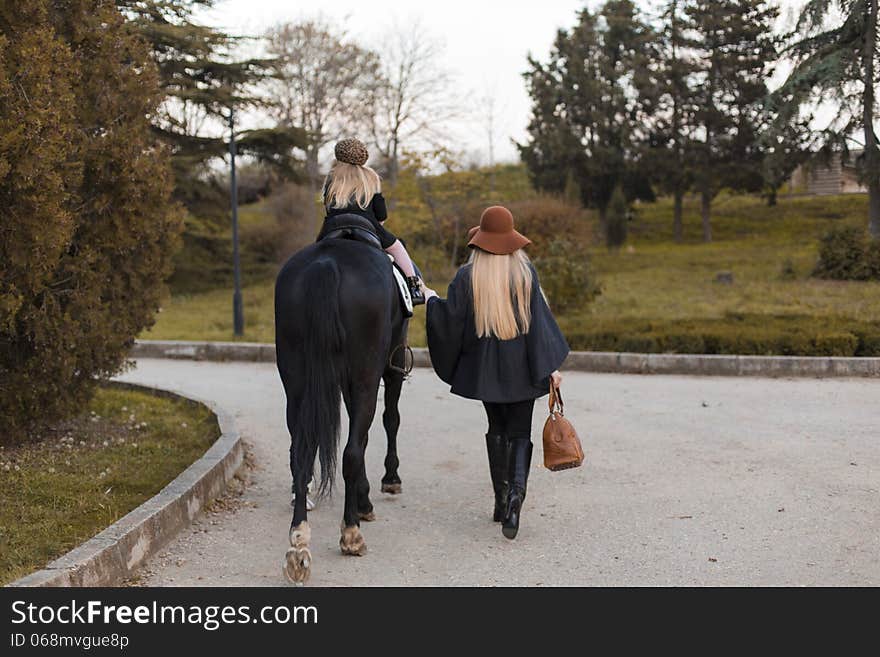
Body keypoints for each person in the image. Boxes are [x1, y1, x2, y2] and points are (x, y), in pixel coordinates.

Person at [423, 206, 569, 539]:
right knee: (520, 433)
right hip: (523, 369)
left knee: (496, 428)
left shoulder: (467, 276)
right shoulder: (525, 275)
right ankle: (516, 498)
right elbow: (540, 326)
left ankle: (501, 499)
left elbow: (452, 321)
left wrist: (432, 302)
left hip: (486, 370)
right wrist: (551, 367)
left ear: (481, 241)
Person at [317, 138, 425, 305]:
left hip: (333, 225)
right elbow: (381, 215)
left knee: (316, 253)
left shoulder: (332, 177)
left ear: (338, 155)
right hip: (366, 224)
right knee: (397, 247)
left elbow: (328, 207)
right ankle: (413, 286)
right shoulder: (371, 177)